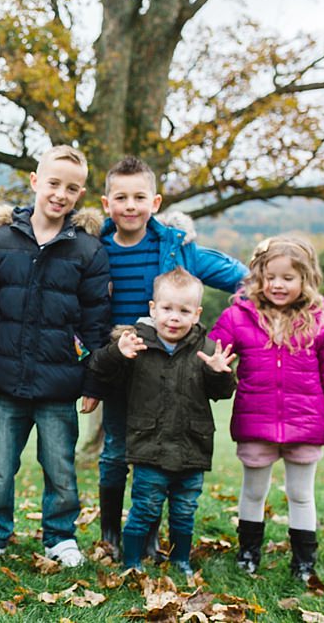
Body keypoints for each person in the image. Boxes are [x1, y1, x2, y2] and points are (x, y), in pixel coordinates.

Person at [95, 154, 248, 559]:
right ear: (106, 203)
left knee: (159, 450)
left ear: (155, 202)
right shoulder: (94, 249)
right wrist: (94, 374)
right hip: (120, 363)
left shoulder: (176, 249)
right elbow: (84, 311)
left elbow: (241, 277)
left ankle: (148, 534)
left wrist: (216, 339)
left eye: (139, 197)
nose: (131, 206)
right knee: (113, 452)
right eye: (121, 197)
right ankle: (111, 532)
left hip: (167, 365)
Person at [0, 145, 111, 569]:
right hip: (9, 380)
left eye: (71, 188)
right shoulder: (1, 240)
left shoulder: (87, 250)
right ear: (35, 182)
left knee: (60, 467)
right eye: (53, 183)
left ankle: (60, 536)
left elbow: (95, 324)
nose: (60, 194)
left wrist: (92, 382)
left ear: (80, 194)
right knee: (0, 466)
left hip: (59, 383)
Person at [209, 236, 324, 581]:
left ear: (305, 280)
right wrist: (214, 363)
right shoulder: (237, 316)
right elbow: (211, 351)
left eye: (288, 278)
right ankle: (248, 552)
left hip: (305, 425)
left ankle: (304, 562)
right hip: (256, 422)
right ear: (258, 277)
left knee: (300, 494)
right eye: (270, 276)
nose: (278, 285)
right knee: (252, 491)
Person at [88, 268, 237, 580]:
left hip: (191, 447)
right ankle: (131, 561)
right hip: (149, 447)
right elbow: (100, 368)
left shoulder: (206, 349)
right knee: (145, 508)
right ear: (153, 309)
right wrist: (118, 353)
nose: (174, 318)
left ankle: (181, 559)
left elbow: (221, 393)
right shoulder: (137, 344)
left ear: (196, 315)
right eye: (167, 309)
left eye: (184, 311)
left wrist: (221, 373)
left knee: (184, 512)